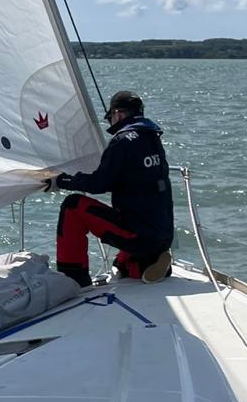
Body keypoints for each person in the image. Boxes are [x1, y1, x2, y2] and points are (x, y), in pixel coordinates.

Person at [46, 90, 174, 286]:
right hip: (163, 233)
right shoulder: (152, 136)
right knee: (125, 265)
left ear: (118, 114)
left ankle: (73, 280)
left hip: (139, 235)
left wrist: (62, 181)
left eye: (110, 118)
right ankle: (149, 260)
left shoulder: (121, 141)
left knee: (73, 206)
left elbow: (99, 184)